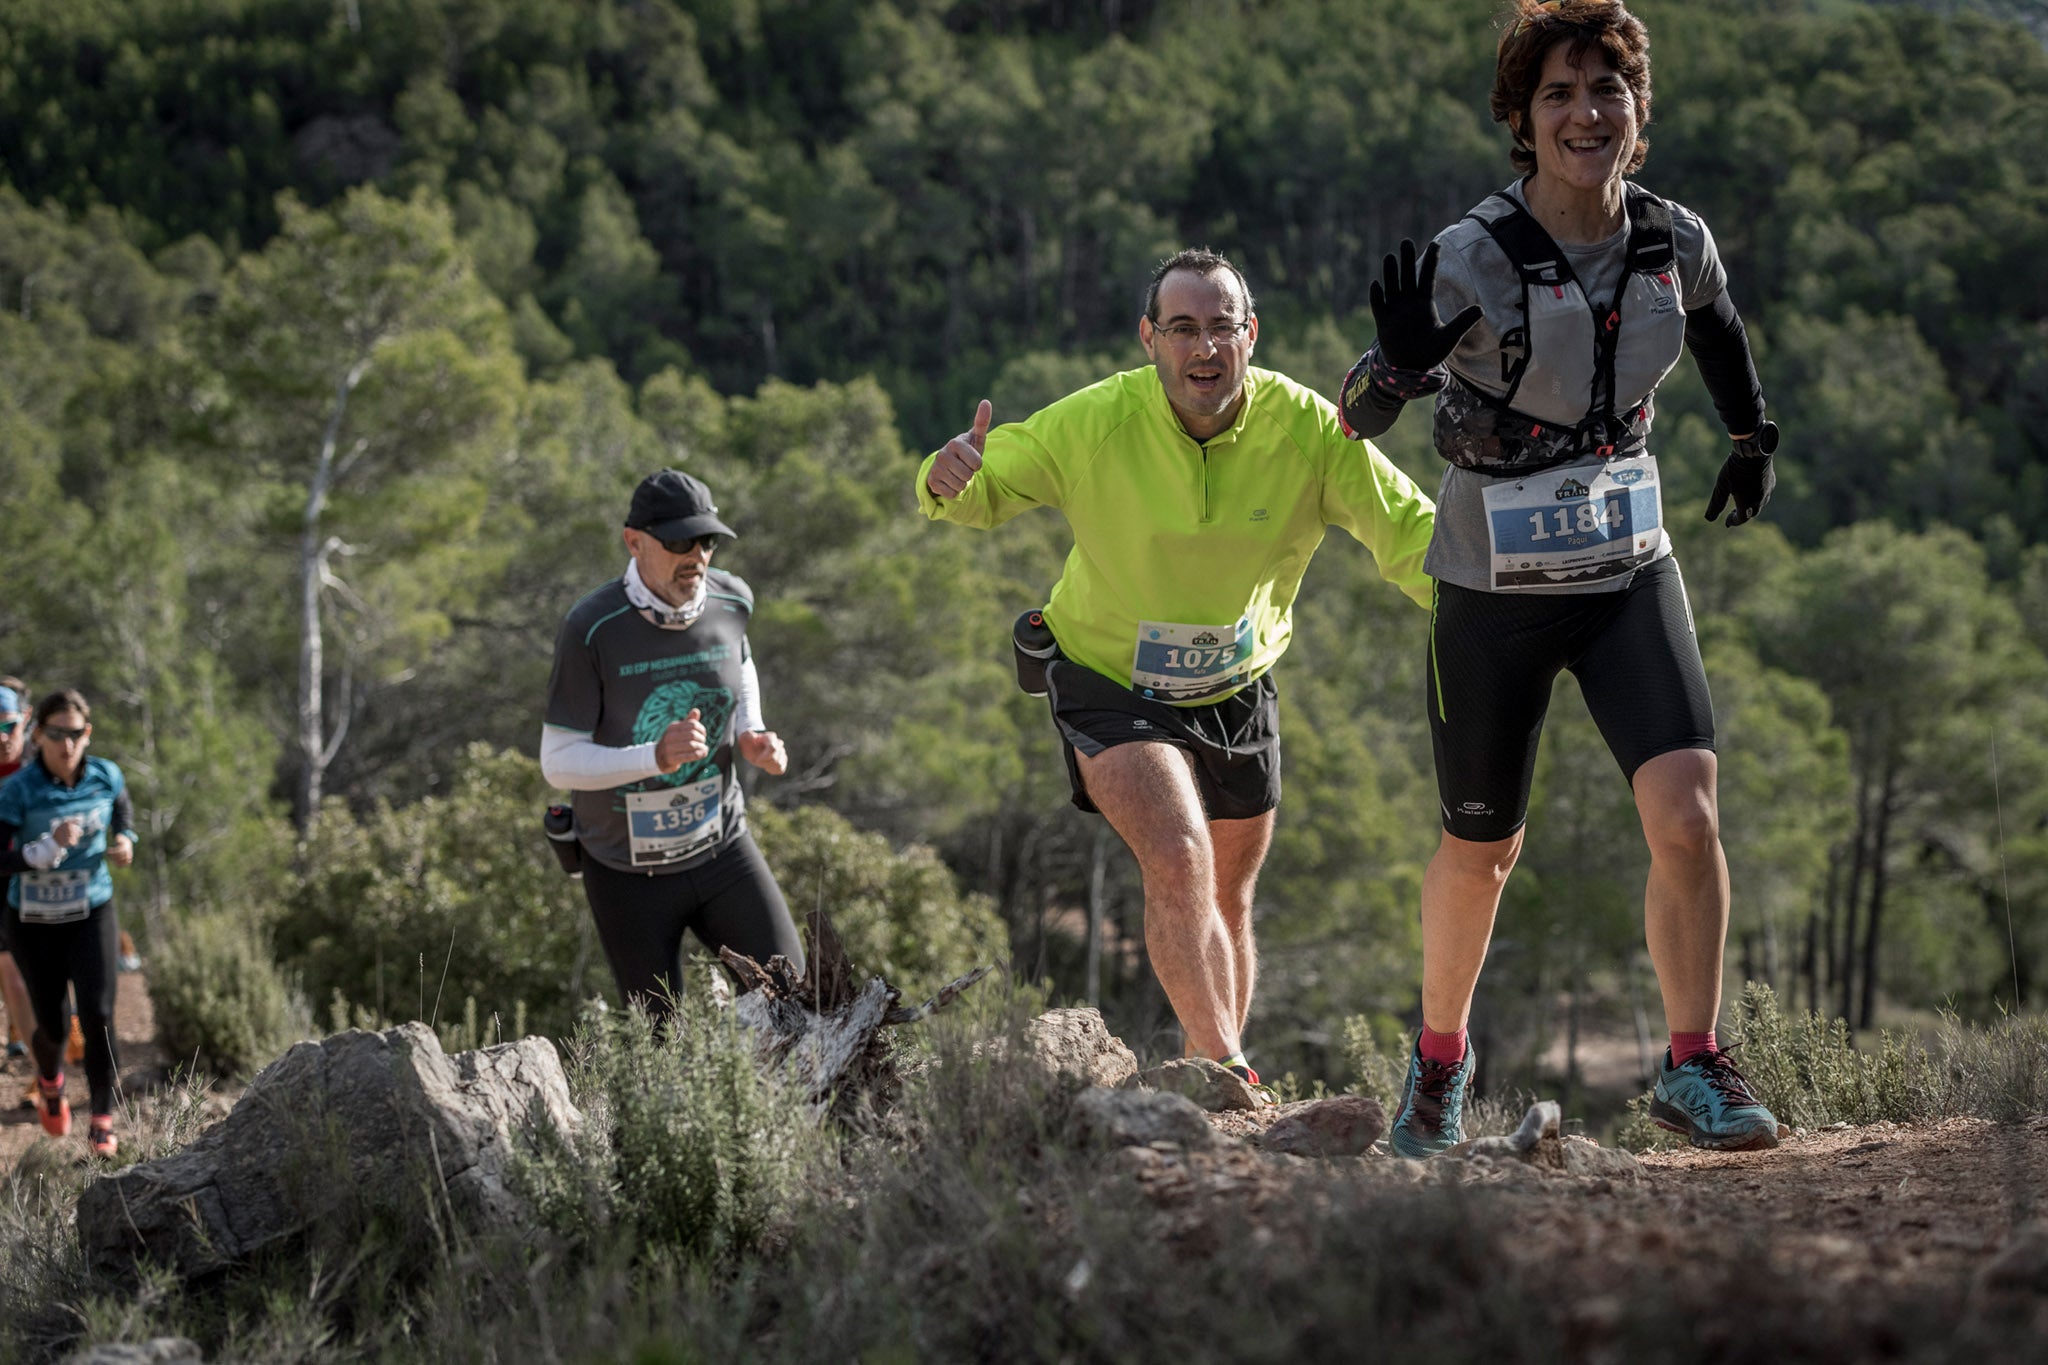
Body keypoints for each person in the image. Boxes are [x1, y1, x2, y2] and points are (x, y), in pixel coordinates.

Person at [1340, 0, 1781, 1155]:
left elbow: (1720, 327)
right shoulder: (1470, 255)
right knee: (1482, 851)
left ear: (1636, 114)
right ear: (1520, 121)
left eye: (1606, 91)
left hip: (1627, 567)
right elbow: (1357, 415)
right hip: (1492, 586)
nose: (1585, 113)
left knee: (1686, 815)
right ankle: (1436, 1070)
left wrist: (1749, 438)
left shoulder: (1670, 239)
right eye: (1558, 95)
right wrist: (1392, 364)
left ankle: (1694, 1064)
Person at [919, 247, 1436, 1086]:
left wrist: (1492, 607)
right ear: (1148, 339)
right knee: (1178, 852)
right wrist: (946, 478)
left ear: (1251, 335)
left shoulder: (1308, 429)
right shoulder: (1095, 422)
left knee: (1228, 893)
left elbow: (1409, 532)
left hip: (1236, 686)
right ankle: (1230, 1067)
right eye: (1183, 328)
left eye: (1222, 328)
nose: (1205, 348)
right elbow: (980, 489)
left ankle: (1208, 1063)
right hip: (1108, 678)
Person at [541, 469, 804, 1020]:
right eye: (680, 542)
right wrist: (653, 757)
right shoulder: (592, 628)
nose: (698, 556)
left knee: (797, 1005)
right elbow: (557, 761)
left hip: (722, 849)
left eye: (707, 541)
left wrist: (749, 731)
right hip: (626, 873)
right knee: (660, 1044)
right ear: (634, 542)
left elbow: (742, 664)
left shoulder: (732, 600)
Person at [0, 689, 135, 1156]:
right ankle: (50, 1078)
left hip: (91, 910)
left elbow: (122, 808)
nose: (67, 744)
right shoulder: (18, 790)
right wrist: (35, 854)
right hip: (33, 920)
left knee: (97, 1014)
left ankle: (101, 1119)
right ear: (39, 736)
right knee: (55, 1024)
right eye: (56, 734)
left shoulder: (105, 775)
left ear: (87, 734)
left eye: (76, 734)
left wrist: (126, 839)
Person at [0, 678, 41, 1072]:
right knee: (11, 972)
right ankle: (40, 1067)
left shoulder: (38, 761)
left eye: (8, 725)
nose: (1, 737)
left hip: (39, 877)